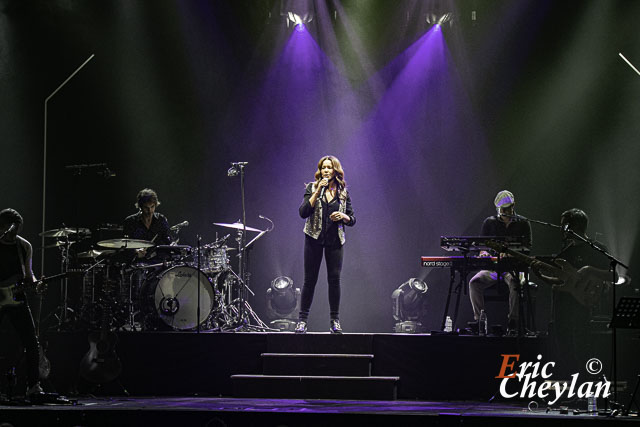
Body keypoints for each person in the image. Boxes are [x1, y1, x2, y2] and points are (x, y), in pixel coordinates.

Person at [532, 208, 613, 376]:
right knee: (563, 342)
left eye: (564, 225)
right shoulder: (566, 252)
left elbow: (614, 275)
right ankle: (572, 379)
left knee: (581, 343)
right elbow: (561, 281)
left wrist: (590, 270)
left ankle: (586, 379)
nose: (561, 228)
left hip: (584, 304)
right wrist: (540, 274)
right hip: (565, 304)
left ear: (573, 226)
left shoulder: (597, 248)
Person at [296, 156, 356, 334]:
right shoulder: (312, 187)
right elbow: (303, 212)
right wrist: (317, 192)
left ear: (335, 170)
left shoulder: (342, 192)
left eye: (329, 167)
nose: (326, 171)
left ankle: (335, 321)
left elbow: (352, 218)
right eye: (323, 168)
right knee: (309, 280)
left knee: (334, 281)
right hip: (313, 238)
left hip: (334, 241)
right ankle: (302, 321)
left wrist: (343, 216)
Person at [468, 190, 532, 334]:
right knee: (474, 282)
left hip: (513, 268)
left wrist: (510, 254)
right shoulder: (490, 222)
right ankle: (479, 321)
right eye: (500, 210)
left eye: (506, 209)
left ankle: (513, 323)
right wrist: (483, 252)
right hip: (493, 269)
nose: (503, 213)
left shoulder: (523, 223)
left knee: (515, 283)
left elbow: (527, 249)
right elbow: (482, 245)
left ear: (513, 206)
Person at [0, 208, 43, 397]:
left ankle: (33, 386)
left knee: (32, 343)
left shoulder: (24, 246)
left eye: (17, 229)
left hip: (17, 298)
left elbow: (28, 274)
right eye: (11, 229)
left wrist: (35, 284)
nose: (14, 234)